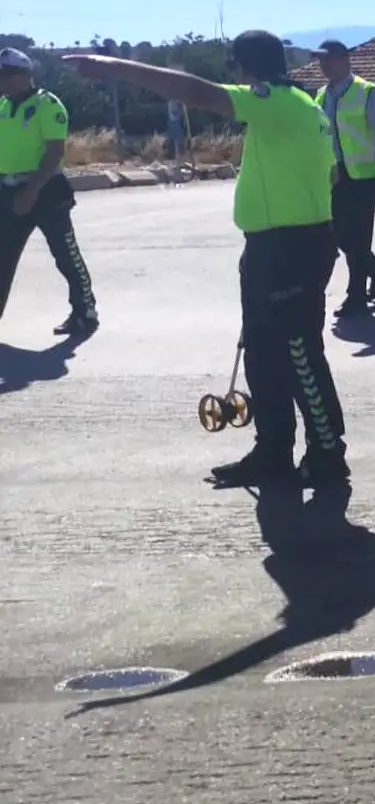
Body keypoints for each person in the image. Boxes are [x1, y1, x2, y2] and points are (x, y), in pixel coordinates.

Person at [65, 31, 350, 488]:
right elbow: (329, 175)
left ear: (244, 67)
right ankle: (272, 452)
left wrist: (116, 68)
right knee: (260, 355)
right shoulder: (302, 108)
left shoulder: (275, 100)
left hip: (288, 250)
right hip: (277, 246)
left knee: (298, 353)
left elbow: (200, 93)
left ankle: (328, 454)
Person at [0, 47, 100, 337]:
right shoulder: (3, 107)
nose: (2, 81)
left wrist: (31, 190)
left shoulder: (48, 105)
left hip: (45, 190)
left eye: (6, 75)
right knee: (3, 256)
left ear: (24, 75)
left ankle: (85, 311)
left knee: (65, 252)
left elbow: (53, 153)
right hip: (8, 189)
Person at [310, 39, 375, 317]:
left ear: (345, 60)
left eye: (329, 59)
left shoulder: (367, 92)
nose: (324, 65)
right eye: (321, 60)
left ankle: (356, 296)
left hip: (363, 177)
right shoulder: (321, 95)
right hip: (334, 178)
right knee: (338, 235)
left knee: (359, 238)